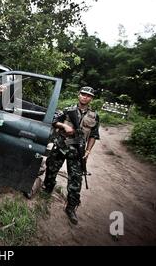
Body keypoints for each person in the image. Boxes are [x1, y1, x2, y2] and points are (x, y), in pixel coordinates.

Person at [42, 86, 100, 225]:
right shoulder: (68, 110)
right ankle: (47, 189)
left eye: (88, 95)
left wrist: (88, 151)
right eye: (83, 94)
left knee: (76, 179)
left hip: (78, 150)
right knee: (51, 168)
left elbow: (93, 135)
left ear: (91, 98)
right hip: (62, 145)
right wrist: (64, 126)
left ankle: (71, 207)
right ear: (78, 95)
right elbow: (53, 121)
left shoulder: (94, 116)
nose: (85, 97)